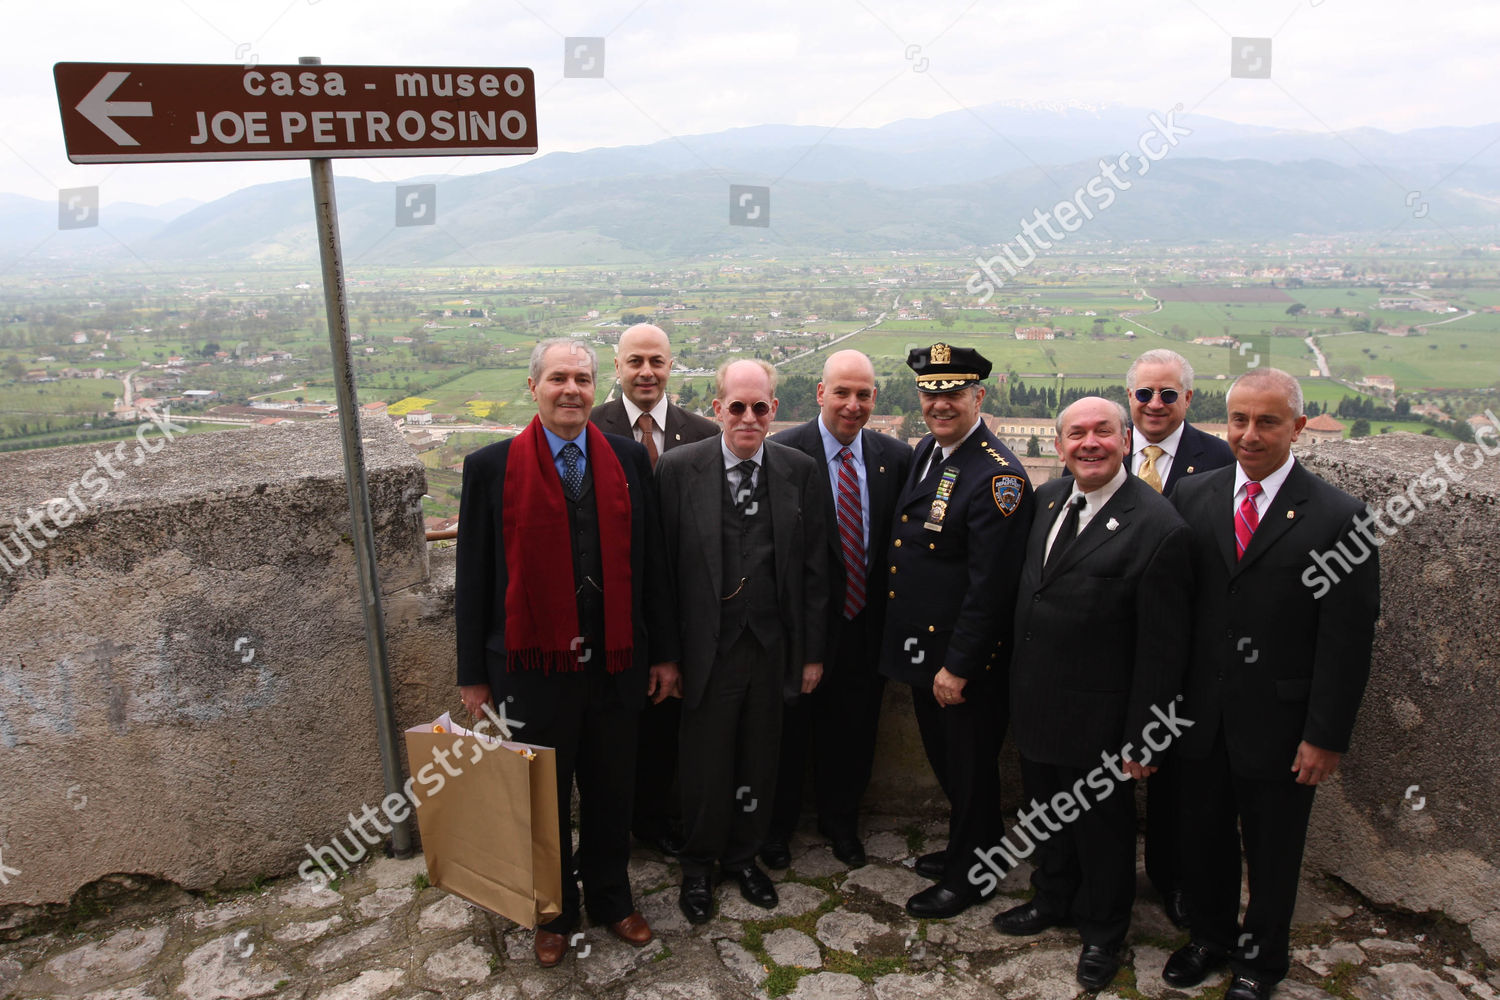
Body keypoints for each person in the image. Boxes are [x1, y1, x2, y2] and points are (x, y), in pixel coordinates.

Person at [454, 338, 680, 967]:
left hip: (616, 661)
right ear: (534, 388)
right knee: (541, 794)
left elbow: (651, 567)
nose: (572, 390)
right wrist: (473, 676)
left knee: (613, 787)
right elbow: (473, 578)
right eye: (559, 378)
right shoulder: (490, 468)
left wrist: (663, 654)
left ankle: (612, 897)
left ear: (595, 387)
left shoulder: (630, 461)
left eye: (582, 378)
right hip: (531, 668)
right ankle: (553, 911)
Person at [1162, 368, 1379, 1000]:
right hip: (1199, 717)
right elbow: (1176, 616)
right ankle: (1208, 938)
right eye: (1238, 420)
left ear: (1298, 427)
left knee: (1275, 848)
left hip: (1282, 727)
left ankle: (1261, 961)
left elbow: (1348, 641)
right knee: (1201, 837)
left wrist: (1325, 736)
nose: (1249, 435)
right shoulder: (1194, 498)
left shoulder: (1340, 516)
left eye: (1267, 422)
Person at [992, 397, 1193, 990]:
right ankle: (1052, 896)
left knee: (1103, 833)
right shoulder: (1049, 499)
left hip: (1103, 720)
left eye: (1103, 432)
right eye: (1075, 434)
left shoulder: (1159, 526)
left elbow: (1163, 650)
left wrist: (1144, 738)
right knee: (1043, 816)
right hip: (1036, 701)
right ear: (1058, 447)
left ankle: (1105, 931)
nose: (1089, 443)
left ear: (1126, 440)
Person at [655, 359, 828, 925]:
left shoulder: (800, 471)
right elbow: (659, 573)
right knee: (704, 764)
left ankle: (744, 856)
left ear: (775, 409)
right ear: (718, 409)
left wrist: (811, 653)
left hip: (772, 646)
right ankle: (699, 865)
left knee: (761, 758)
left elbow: (815, 571)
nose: (749, 417)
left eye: (760, 407)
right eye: (737, 406)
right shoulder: (680, 470)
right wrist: (666, 656)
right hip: (707, 648)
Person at [878, 343, 1033, 920]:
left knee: (969, 767)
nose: (939, 404)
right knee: (949, 762)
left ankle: (973, 875)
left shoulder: (998, 477)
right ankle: (981, 848)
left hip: (961, 661)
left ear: (978, 397)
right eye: (930, 393)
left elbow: (990, 586)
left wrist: (960, 665)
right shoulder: (930, 451)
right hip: (924, 651)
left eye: (952, 394)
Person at [763, 350, 913, 870]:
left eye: (864, 394)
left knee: (854, 733)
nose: (852, 405)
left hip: (863, 627)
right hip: (798, 628)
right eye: (842, 393)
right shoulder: (781, 451)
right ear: (821, 393)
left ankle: (841, 822)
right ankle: (776, 829)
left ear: (875, 398)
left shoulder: (895, 458)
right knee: (787, 736)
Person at [591, 322, 718, 858]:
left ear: (671, 367)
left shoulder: (705, 431)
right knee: (612, 726)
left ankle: (653, 819)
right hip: (610, 603)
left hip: (683, 603)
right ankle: (608, 828)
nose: (647, 372)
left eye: (657, 362)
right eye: (636, 361)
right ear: (617, 367)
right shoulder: (589, 426)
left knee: (668, 719)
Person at [1126, 347, 1235, 927]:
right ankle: (1108, 873)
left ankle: (1173, 879)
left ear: (1189, 399)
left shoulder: (1218, 459)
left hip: (1186, 644)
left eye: (1168, 394)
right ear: (1130, 398)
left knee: (1180, 774)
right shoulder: (1105, 449)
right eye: (1145, 393)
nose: (1155, 404)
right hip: (1114, 644)